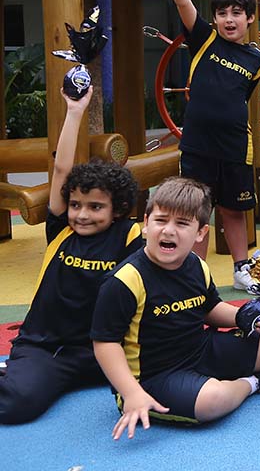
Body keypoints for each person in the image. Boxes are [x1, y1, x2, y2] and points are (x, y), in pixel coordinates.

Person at [91, 178, 260, 439]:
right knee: (213, 400)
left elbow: (209, 308)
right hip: (153, 375)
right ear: (146, 223)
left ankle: (213, 381)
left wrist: (242, 316)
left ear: (200, 232)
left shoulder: (196, 264)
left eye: (182, 223)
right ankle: (256, 382)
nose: (169, 230)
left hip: (199, 350)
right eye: (161, 220)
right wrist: (131, 393)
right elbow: (105, 344)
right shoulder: (125, 280)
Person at [0, 88, 142, 424]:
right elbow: (62, 169)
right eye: (76, 205)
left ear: (118, 209)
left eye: (95, 207)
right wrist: (75, 111)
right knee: (17, 404)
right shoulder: (62, 228)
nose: (82, 214)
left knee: (176, 366)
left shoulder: (128, 235)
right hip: (49, 349)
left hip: (103, 351)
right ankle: (16, 370)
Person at [155, 0, 260, 287]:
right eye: (222, 13)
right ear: (214, 18)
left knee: (234, 210)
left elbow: (239, 101)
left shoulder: (257, 61)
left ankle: (241, 269)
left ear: (249, 18)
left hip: (235, 148)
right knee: (195, 212)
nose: (229, 19)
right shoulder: (203, 40)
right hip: (198, 146)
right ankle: (195, 274)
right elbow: (182, 1)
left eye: (237, 13)